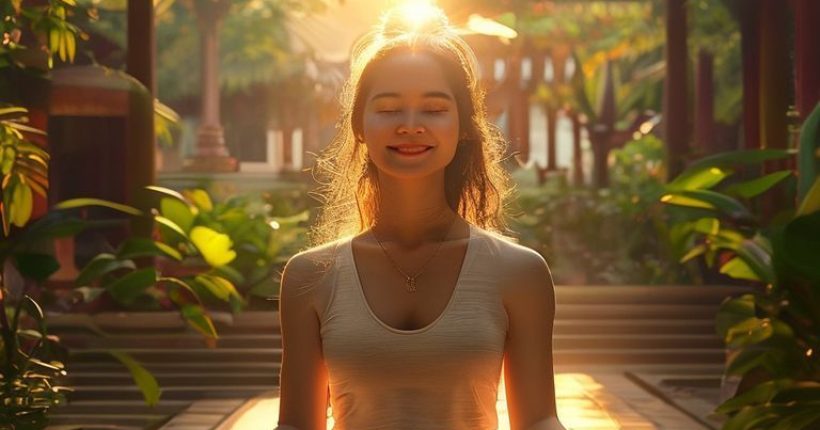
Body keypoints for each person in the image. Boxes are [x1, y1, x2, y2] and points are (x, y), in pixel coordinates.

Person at [276, 4, 564, 430]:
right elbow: (296, 426)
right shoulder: (310, 276)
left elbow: (539, 420)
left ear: (464, 125)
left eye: (433, 108)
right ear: (359, 125)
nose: (410, 125)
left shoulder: (519, 272)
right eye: (389, 109)